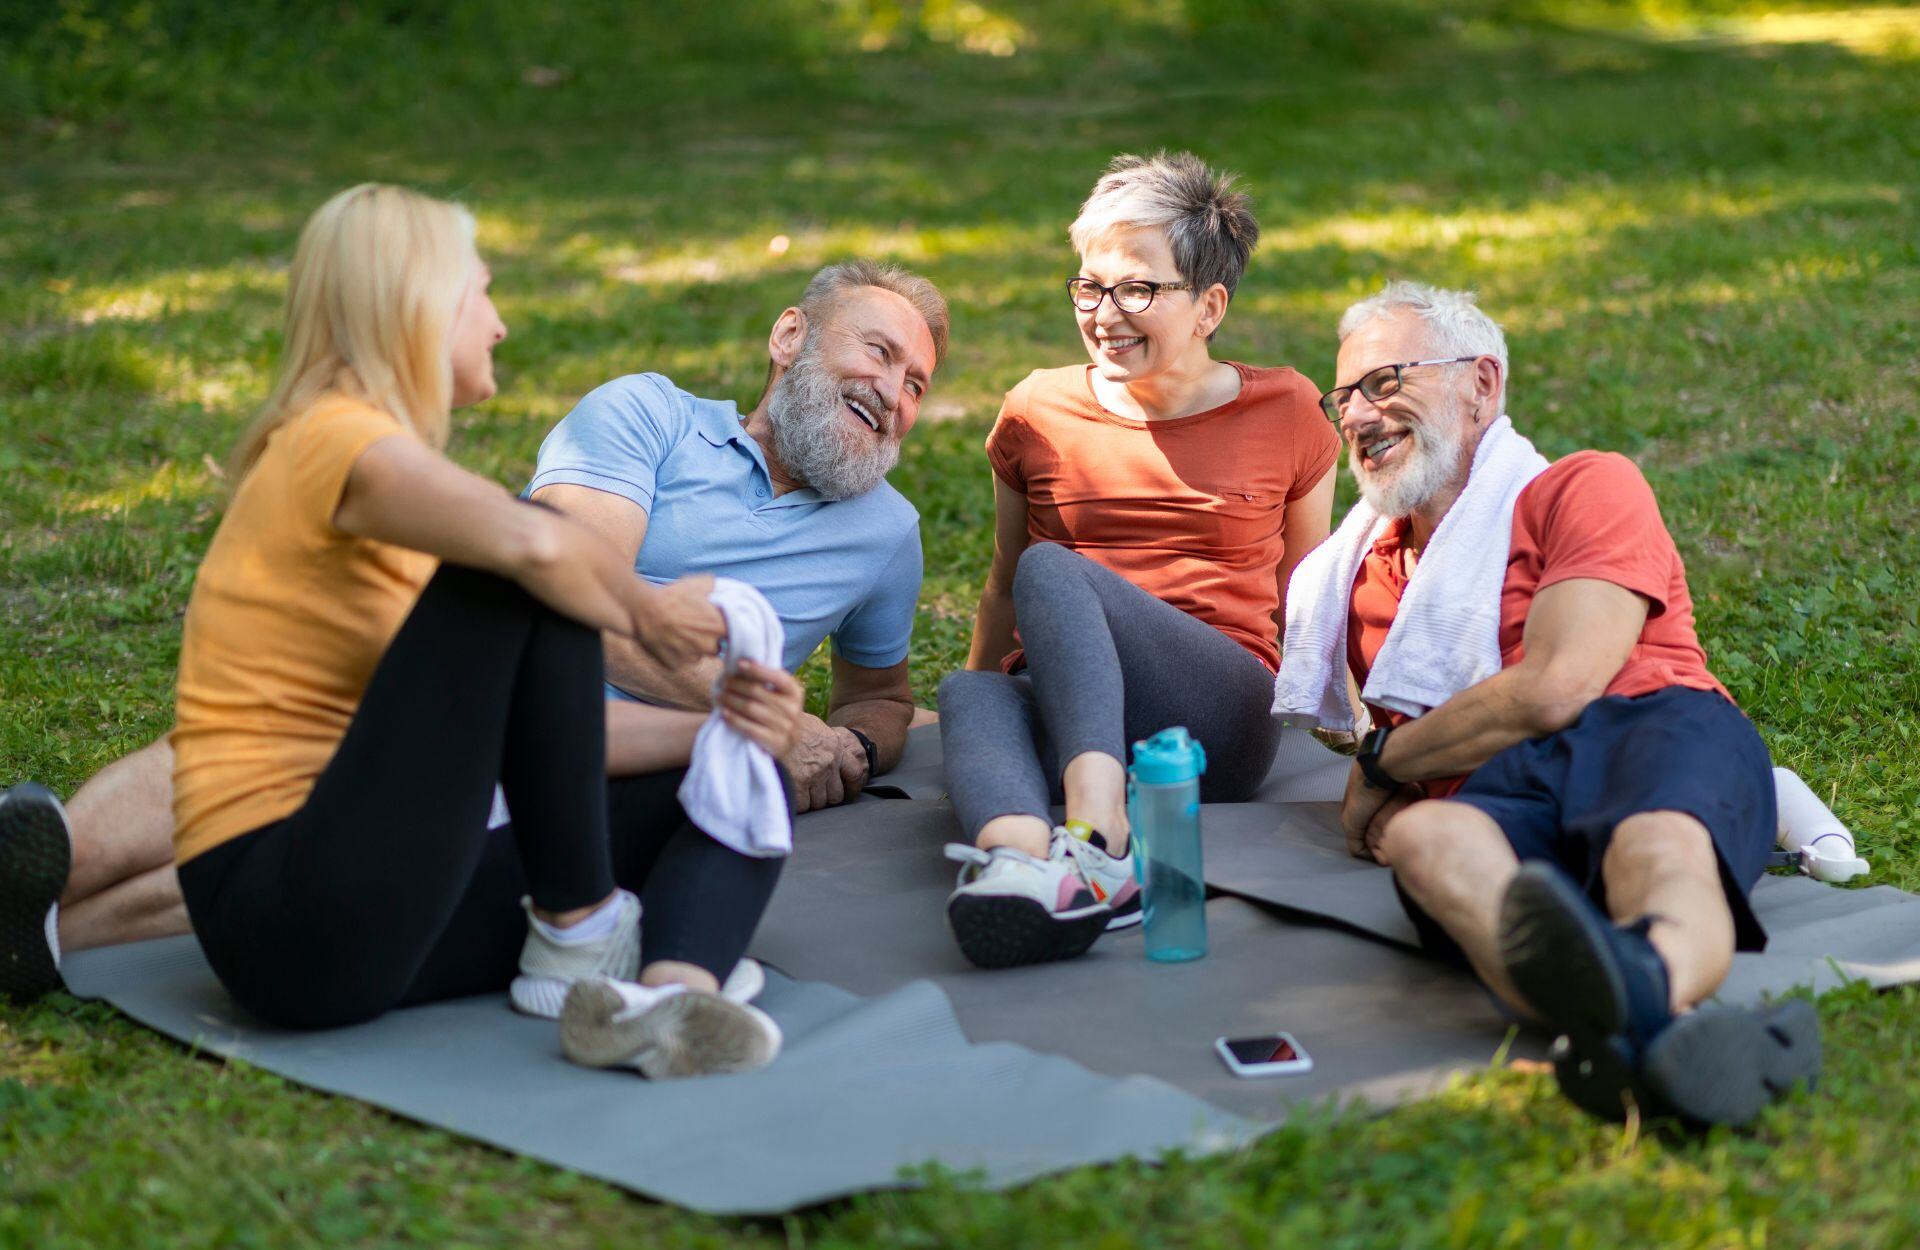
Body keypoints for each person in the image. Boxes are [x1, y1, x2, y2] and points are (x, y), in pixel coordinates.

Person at [9, 184, 807, 1080]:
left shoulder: (404, 500)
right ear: (419, 307)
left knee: (739, 767)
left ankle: (665, 995)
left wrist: (721, 728)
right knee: (531, 558)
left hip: (367, 923)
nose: (500, 325)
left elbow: (552, 739)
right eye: (484, 293)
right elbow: (535, 548)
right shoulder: (329, 439)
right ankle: (583, 928)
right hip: (282, 912)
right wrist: (650, 615)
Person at [1277, 280, 1820, 1125]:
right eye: (1342, 396)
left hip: (1644, 718)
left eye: (1385, 382)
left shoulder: (1584, 487)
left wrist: (1385, 764)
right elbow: (1403, 800)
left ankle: (1633, 994)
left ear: (1481, 384)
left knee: (1657, 844)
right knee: (1426, 835)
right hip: (1501, 791)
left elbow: (1560, 684)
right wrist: (1401, 790)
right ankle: (1654, 1028)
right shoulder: (1360, 576)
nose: (1355, 415)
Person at [938, 152, 1338, 968]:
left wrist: (1363, 723)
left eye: (1137, 289)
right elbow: (999, 580)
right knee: (970, 691)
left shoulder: (1288, 409)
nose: (1104, 312)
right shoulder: (1038, 409)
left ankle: (1101, 837)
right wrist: (981, 691)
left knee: (1056, 570)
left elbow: (1313, 584)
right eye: (1089, 285)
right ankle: (1022, 864)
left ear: (1208, 306)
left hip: (1211, 721)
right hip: (1070, 707)